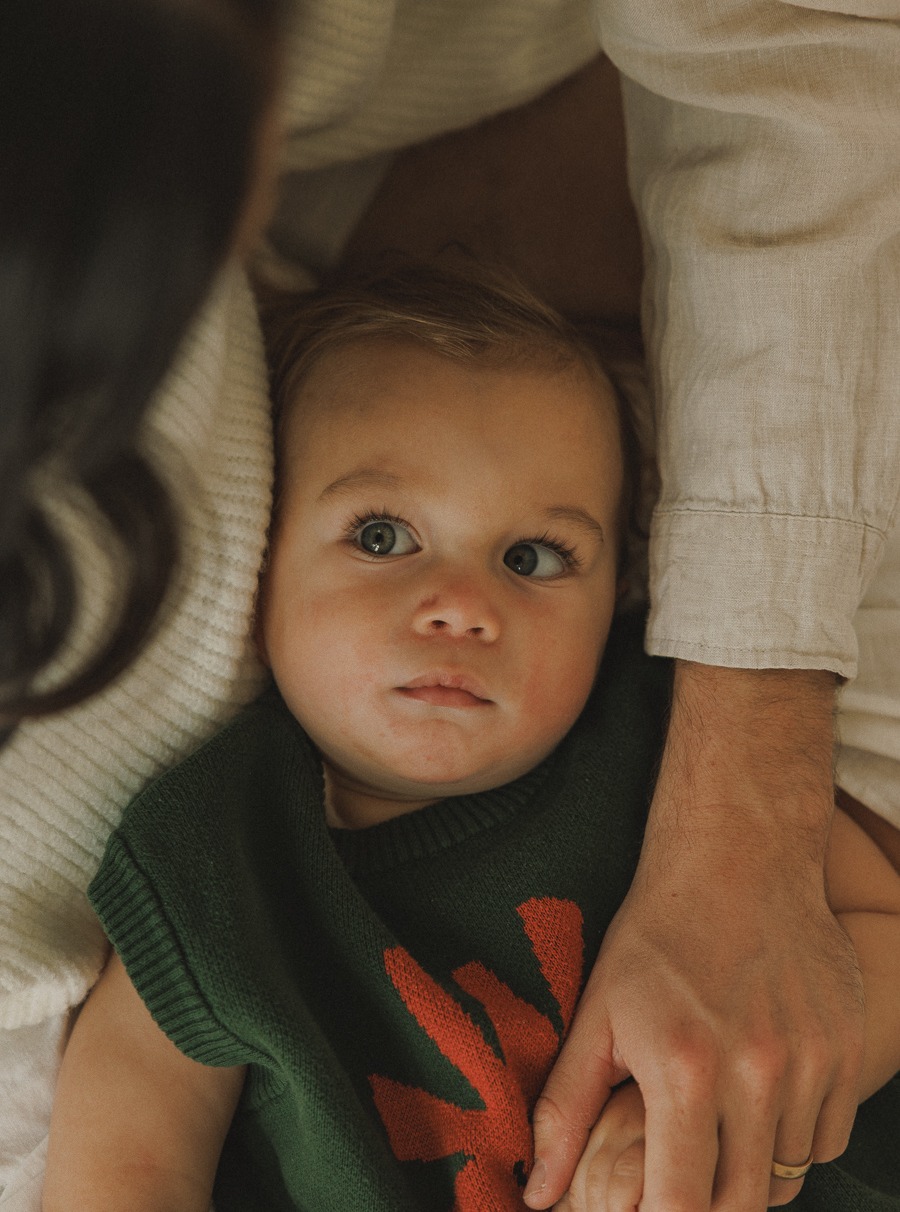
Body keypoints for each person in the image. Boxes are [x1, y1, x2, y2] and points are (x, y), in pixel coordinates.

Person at [3, 1, 899, 1209]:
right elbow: (124, 1161)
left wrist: (693, 1116)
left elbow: (880, 941)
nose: (458, 606)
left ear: (626, 586)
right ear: (258, 558)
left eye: (534, 558)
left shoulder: (665, 757)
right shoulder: (215, 861)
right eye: (381, 537)